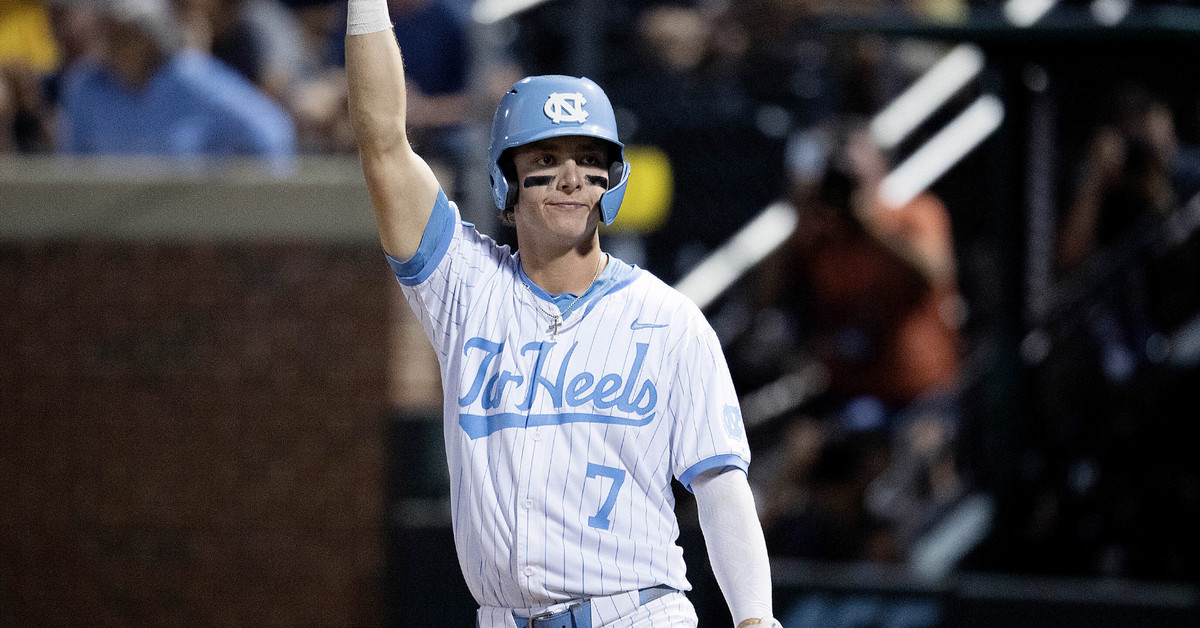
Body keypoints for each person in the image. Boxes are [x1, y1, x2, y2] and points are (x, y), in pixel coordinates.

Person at [344, 0, 781, 625]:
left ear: (613, 178)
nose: (573, 178)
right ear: (506, 182)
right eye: (545, 162)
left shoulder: (670, 320)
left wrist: (755, 617)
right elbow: (383, 144)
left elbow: (719, 481)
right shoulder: (465, 290)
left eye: (589, 158)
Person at [55, 0, 294, 165]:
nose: (111, 41)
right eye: (104, 29)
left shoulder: (191, 76)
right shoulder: (84, 85)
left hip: (189, 227)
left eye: (123, 30)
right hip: (107, 229)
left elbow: (272, 131)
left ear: (148, 36)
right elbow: (72, 164)